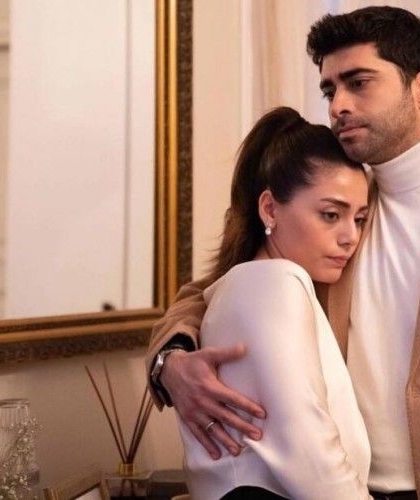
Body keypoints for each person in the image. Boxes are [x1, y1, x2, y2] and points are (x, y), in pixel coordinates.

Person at [147, 6, 420, 499]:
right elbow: (215, 291)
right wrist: (170, 364)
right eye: (329, 90)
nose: (338, 105)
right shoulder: (340, 209)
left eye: (358, 83)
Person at [158, 106, 372, 499]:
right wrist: (167, 362)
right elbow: (313, 458)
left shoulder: (252, 284)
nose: (350, 237)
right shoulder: (275, 283)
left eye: (359, 219)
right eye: (330, 215)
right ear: (270, 209)